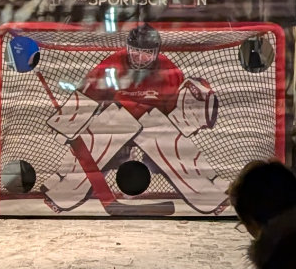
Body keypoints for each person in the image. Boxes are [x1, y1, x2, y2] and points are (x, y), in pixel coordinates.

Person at [40, 24, 229, 215]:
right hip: (116, 123)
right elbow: (87, 94)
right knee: (90, 143)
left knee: (178, 148)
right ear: (128, 49)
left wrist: (188, 119)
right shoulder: (113, 63)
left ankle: (211, 195)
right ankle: (61, 189)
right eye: (136, 53)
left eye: (146, 54)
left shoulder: (168, 69)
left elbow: (174, 110)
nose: (140, 59)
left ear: (156, 52)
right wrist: (67, 124)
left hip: (152, 128)